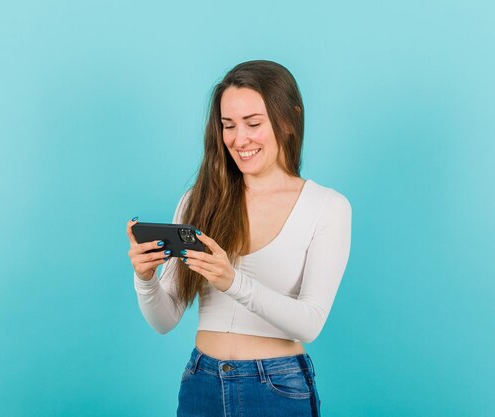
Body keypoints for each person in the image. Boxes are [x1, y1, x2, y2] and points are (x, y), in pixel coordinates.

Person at [126, 60, 351, 417]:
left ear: (289, 121)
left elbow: (310, 323)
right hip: (201, 382)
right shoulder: (198, 200)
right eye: (228, 125)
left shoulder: (327, 207)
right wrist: (145, 280)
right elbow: (165, 320)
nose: (238, 139)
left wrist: (230, 280)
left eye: (253, 123)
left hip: (275, 387)